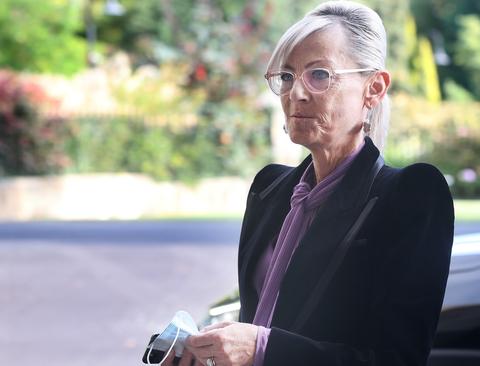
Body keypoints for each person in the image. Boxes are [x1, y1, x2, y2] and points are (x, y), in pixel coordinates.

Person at [167, 1, 454, 365]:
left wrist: (261, 348)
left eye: (319, 74)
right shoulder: (269, 189)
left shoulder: (410, 197)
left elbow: (396, 359)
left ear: (374, 88)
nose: (295, 93)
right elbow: (261, 321)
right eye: (286, 77)